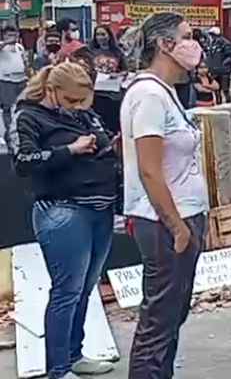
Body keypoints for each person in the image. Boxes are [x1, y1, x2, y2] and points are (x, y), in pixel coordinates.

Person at [13, 61, 119, 379]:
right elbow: (23, 162)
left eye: (82, 102)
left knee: (85, 288)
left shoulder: (83, 113)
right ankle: (57, 369)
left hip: (100, 206)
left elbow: (101, 140)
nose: (77, 108)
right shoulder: (29, 115)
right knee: (66, 290)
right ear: (53, 90)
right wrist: (69, 149)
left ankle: (75, 354)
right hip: (64, 209)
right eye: (72, 101)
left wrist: (107, 145)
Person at [119, 12, 208, 379]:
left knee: (172, 314)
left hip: (182, 216)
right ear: (165, 45)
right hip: (163, 222)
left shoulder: (165, 93)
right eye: (187, 36)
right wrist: (177, 226)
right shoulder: (149, 95)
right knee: (158, 320)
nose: (194, 44)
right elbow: (149, 169)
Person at [88, 25, 128, 133]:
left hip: (113, 94)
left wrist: (117, 75)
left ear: (109, 36)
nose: (100, 37)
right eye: (98, 34)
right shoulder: (90, 51)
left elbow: (125, 70)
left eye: (103, 34)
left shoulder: (118, 52)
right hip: (95, 94)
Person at [1, 25, 27, 146]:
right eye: (9, 35)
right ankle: (8, 132)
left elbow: (24, 61)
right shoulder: (2, 47)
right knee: (7, 107)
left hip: (21, 79)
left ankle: (21, 129)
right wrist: (5, 43)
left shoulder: (19, 47)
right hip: (6, 81)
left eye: (14, 35)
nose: (12, 37)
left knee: (22, 106)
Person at [203, 26, 231, 104]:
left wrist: (223, 65)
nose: (211, 36)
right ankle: (219, 104)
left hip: (224, 71)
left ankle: (229, 105)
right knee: (216, 90)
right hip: (214, 71)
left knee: (225, 90)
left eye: (212, 34)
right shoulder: (211, 43)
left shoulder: (225, 43)